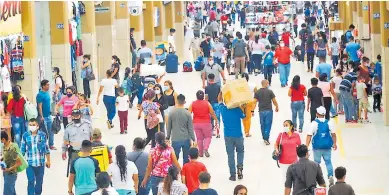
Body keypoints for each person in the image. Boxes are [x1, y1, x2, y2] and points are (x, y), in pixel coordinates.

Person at [306, 106, 337, 186]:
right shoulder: (329, 122)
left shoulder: (314, 123)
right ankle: (330, 176)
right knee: (328, 162)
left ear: (317, 114)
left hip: (317, 147)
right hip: (327, 146)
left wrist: (306, 146)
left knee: (316, 163)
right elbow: (333, 134)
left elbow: (309, 135)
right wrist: (335, 144)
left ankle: (317, 178)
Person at [219, 93, 245, 181]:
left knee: (230, 155)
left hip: (228, 136)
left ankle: (232, 175)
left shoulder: (223, 109)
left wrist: (221, 93)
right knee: (240, 152)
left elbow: (219, 100)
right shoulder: (237, 109)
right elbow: (244, 116)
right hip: (238, 135)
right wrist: (240, 105)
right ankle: (240, 168)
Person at [21, 118, 51, 195]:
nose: (31, 126)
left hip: (40, 164)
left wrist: (48, 160)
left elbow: (46, 149)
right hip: (30, 164)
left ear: (37, 126)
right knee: (30, 181)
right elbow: (22, 150)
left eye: (33, 125)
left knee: (39, 182)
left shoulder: (43, 135)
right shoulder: (25, 136)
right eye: (30, 125)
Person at [167, 94, 196, 164]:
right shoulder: (188, 113)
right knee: (186, 159)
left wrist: (167, 137)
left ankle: (175, 173)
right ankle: (185, 173)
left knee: (174, 159)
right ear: (184, 102)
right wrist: (193, 139)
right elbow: (190, 128)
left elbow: (169, 127)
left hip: (175, 139)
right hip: (186, 139)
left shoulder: (171, 113)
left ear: (176, 101)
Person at [189, 91, 217, 157]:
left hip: (196, 123)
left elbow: (189, 113)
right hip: (206, 123)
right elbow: (212, 112)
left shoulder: (193, 104)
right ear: (203, 96)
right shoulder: (207, 103)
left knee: (199, 138)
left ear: (196, 96)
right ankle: (206, 148)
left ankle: (201, 153)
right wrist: (216, 119)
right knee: (208, 137)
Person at [254, 80, 279, 145]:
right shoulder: (270, 91)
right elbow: (274, 101)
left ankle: (264, 137)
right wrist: (277, 106)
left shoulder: (257, 92)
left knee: (262, 125)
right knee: (268, 125)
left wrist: (252, 110)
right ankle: (266, 138)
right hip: (269, 111)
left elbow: (254, 102)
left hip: (261, 111)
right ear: (267, 84)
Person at [1, 131, 22, 195]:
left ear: (3, 139)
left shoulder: (12, 148)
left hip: (11, 174)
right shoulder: (4, 146)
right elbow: (6, 156)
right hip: (5, 173)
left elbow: (19, 163)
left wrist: (9, 169)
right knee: (11, 191)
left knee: (7, 192)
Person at [36, 79, 55, 150]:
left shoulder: (47, 93)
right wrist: (41, 116)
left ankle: (51, 144)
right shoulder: (40, 95)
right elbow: (39, 106)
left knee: (51, 131)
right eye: (47, 85)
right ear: (43, 86)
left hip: (49, 115)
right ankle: (44, 145)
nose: (48, 86)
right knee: (44, 132)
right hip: (43, 117)